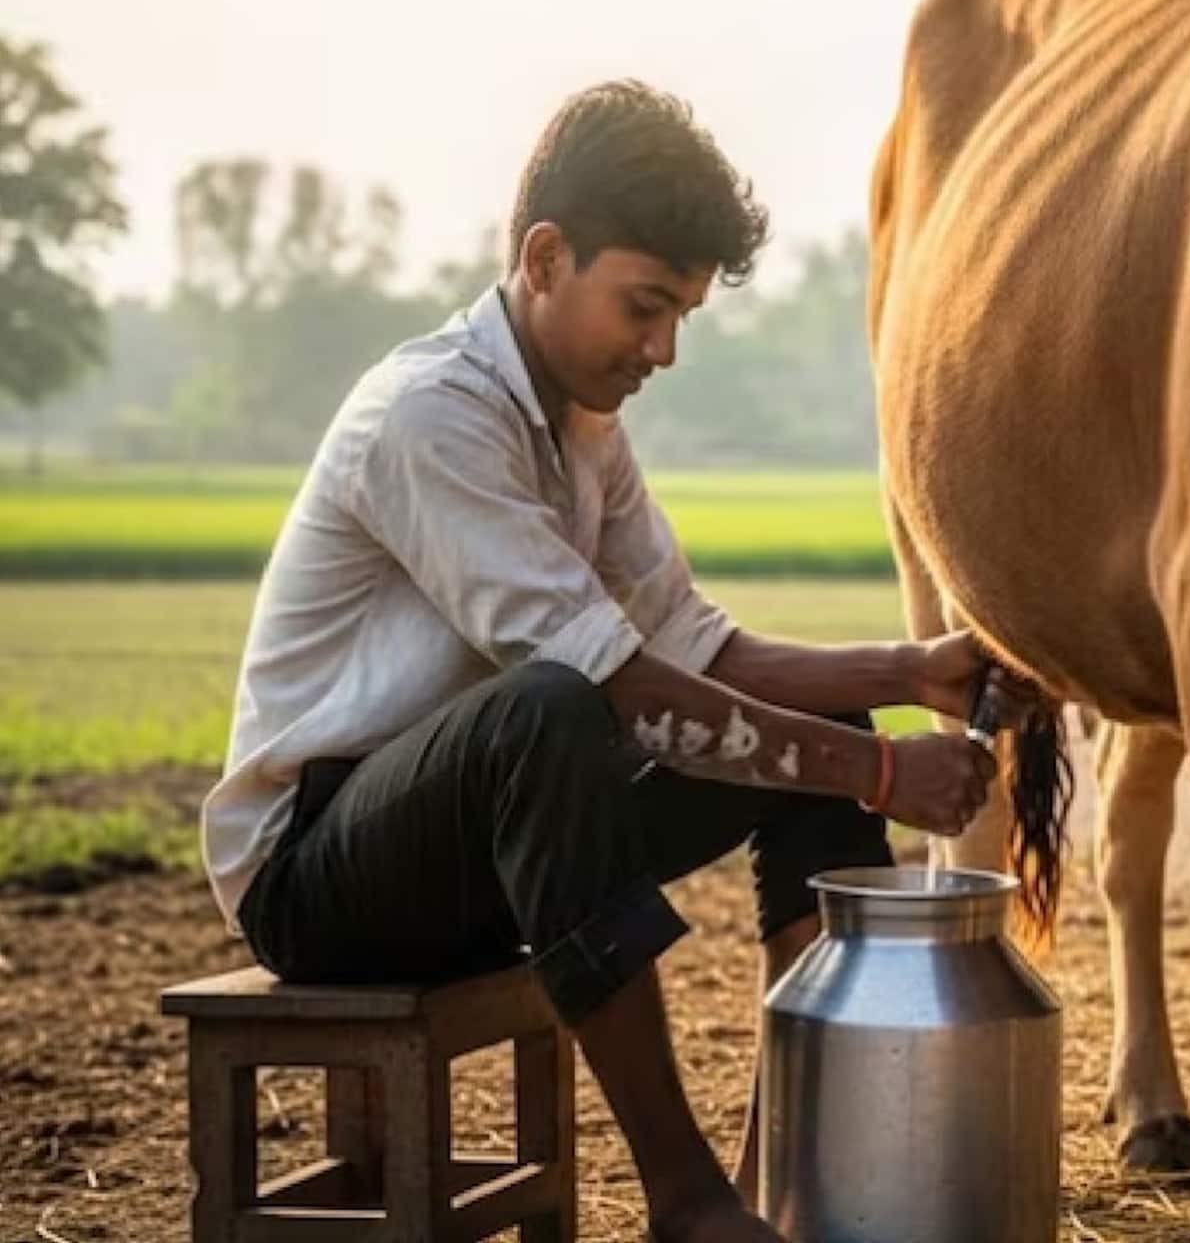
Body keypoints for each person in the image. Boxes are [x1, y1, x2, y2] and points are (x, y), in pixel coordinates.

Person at [201, 80, 1021, 1243]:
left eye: (681, 313)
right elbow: (613, 687)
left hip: (491, 842)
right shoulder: (429, 417)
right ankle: (685, 1202)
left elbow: (698, 649)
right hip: (322, 870)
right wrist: (881, 779)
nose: (664, 349)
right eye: (644, 306)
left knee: (799, 768)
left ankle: (782, 1179)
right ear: (543, 258)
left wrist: (908, 670)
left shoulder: (585, 427)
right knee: (553, 710)